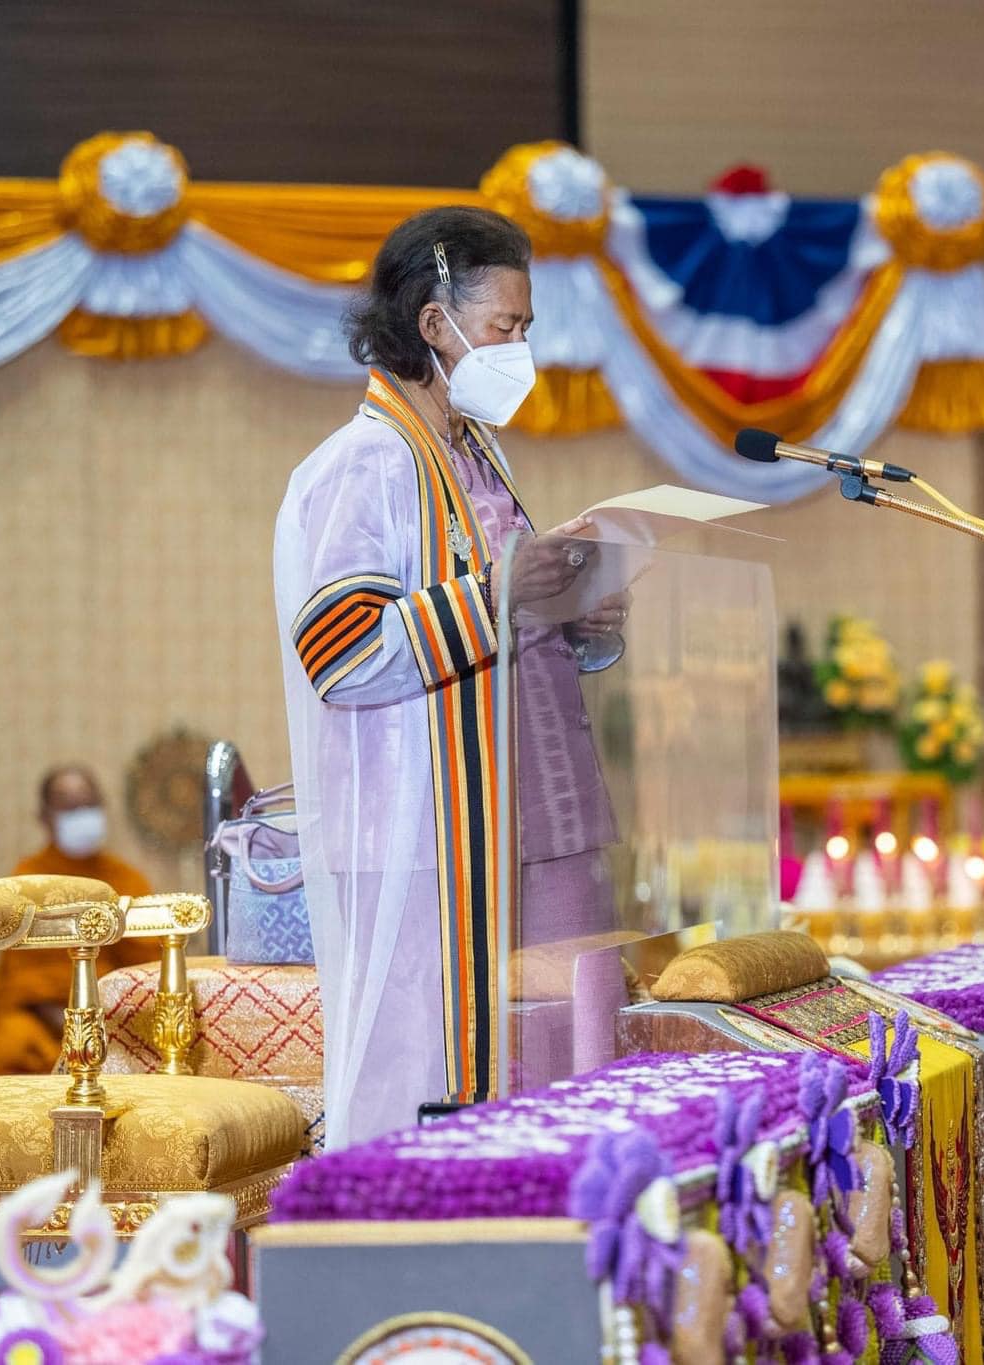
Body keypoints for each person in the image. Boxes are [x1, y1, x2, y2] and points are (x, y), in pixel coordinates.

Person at [274, 206, 623, 1149]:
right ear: (436, 325)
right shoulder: (367, 464)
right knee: (431, 1086)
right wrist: (501, 596)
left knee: (564, 1078)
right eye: (505, 327)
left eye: (524, 328)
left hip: (535, 815)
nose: (521, 348)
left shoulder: (474, 458)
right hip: (425, 841)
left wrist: (578, 613)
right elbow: (341, 650)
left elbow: (502, 618)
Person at [0, 765, 154, 1074]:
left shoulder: (126, 879)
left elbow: (146, 967)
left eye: (89, 803)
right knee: (9, 1047)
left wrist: (105, 1021)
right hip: (42, 1018)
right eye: (69, 806)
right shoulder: (29, 879)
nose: (81, 813)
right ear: (45, 816)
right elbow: (26, 980)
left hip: (110, 1013)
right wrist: (72, 1024)